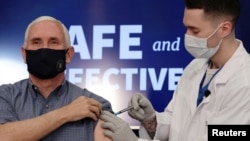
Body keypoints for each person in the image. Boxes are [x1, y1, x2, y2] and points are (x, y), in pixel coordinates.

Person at [100, 0, 250, 141]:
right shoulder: (195, 68)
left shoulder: (244, 82)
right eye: (186, 27)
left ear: (224, 29)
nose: (187, 36)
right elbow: (177, 124)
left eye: (195, 31)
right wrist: (151, 120)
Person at [0, 16, 113, 141]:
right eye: (36, 42)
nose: (44, 49)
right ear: (24, 54)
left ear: (68, 55)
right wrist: (66, 113)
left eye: (53, 42)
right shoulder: (5, 96)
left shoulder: (95, 105)